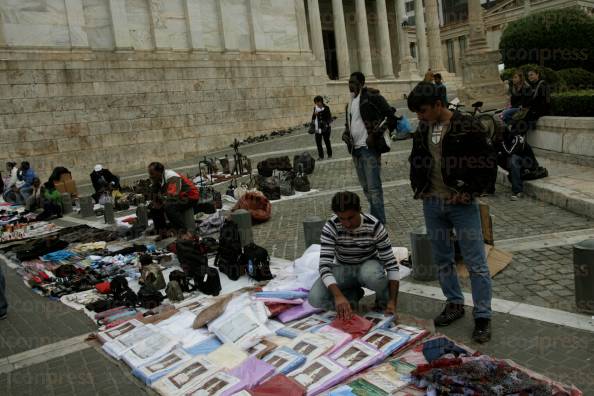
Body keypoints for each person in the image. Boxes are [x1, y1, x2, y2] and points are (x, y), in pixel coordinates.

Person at [407, 82, 497, 343]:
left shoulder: (466, 126)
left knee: (476, 263)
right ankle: (454, 303)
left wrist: (469, 191)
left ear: (438, 105)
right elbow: (416, 160)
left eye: (423, 110)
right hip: (432, 204)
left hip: (461, 205)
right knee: (443, 259)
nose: (419, 116)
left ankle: (482, 316)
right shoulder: (423, 128)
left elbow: (487, 164)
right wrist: (418, 186)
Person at [308, 191, 399, 320]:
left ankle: (383, 298)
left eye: (351, 217)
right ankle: (353, 293)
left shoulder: (374, 225)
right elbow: (324, 266)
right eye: (342, 219)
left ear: (360, 210)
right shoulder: (331, 226)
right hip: (344, 269)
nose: (347, 224)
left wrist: (392, 301)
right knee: (315, 299)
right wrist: (338, 296)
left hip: (368, 267)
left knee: (372, 276)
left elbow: (391, 265)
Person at [342, 72, 397, 225]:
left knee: (374, 188)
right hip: (356, 150)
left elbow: (390, 116)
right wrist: (346, 134)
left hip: (369, 149)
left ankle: (379, 221)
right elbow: (350, 124)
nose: (349, 85)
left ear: (361, 83)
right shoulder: (350, 103)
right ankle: (375, 216)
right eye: (349, 82)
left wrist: (374, 134)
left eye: (352, 82)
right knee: (366, 188)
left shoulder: (372, 97)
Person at [148, 162, 200, 235]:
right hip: (179, 197)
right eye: (150, 173)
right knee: (153, 208)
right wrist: (155, 202)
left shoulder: (171, 176)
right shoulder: (157, 179)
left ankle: (183, 232)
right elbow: (154, 194)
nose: (150, 176)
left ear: (159, 172)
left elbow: (173, 195)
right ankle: (162, 232)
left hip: (190, 196)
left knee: (169, 207)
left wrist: (162, 201)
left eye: (152, 173)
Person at [311, 96, 333, 160]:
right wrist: (314, 114)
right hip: (318, 128)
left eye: (318, 102)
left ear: (321, 101)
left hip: (325, 127)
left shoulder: (326, 108)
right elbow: (313, 118)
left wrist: (327, 124)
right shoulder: (315, 108)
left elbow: (329, 117)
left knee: (327, 141)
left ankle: (329, 154)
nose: (317, 104)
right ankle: (321, 156)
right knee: (318, 142)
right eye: (316, 102)